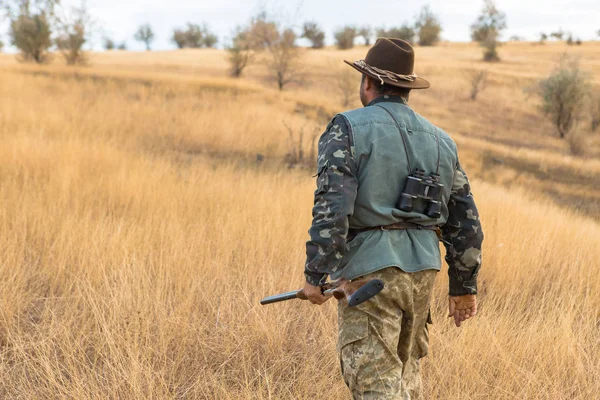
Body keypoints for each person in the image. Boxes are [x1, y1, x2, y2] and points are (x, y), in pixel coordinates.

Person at [302, 38, 484, 399]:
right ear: (406, 88)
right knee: (406, 380)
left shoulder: (347, 127)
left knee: (375, 384)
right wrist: (464, 287)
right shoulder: (442, 140)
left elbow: (333, 207)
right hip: (423, 273)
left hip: (371, 274)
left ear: (368, 82)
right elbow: (466, 222)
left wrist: (315, 275)